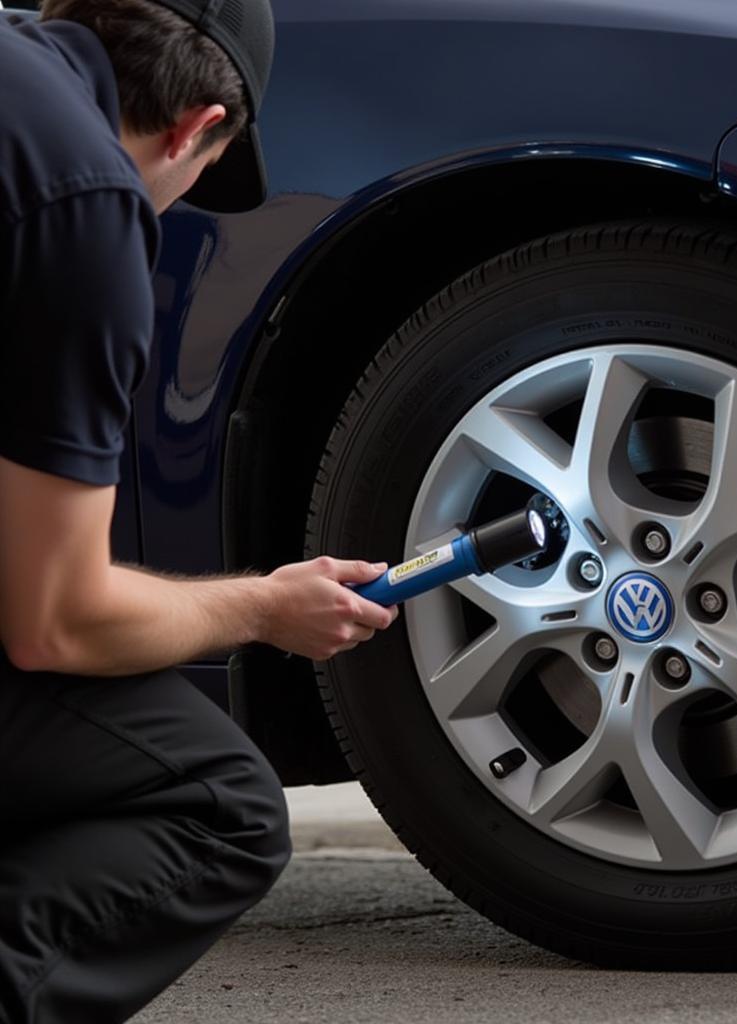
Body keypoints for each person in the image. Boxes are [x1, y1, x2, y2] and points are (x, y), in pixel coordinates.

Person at [0, 1, 398, 1020]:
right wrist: (264, 608)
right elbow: (56, 623)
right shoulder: (83, 197)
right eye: (202, 176)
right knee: (218, 802)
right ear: (192, 128)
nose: (176, 202)